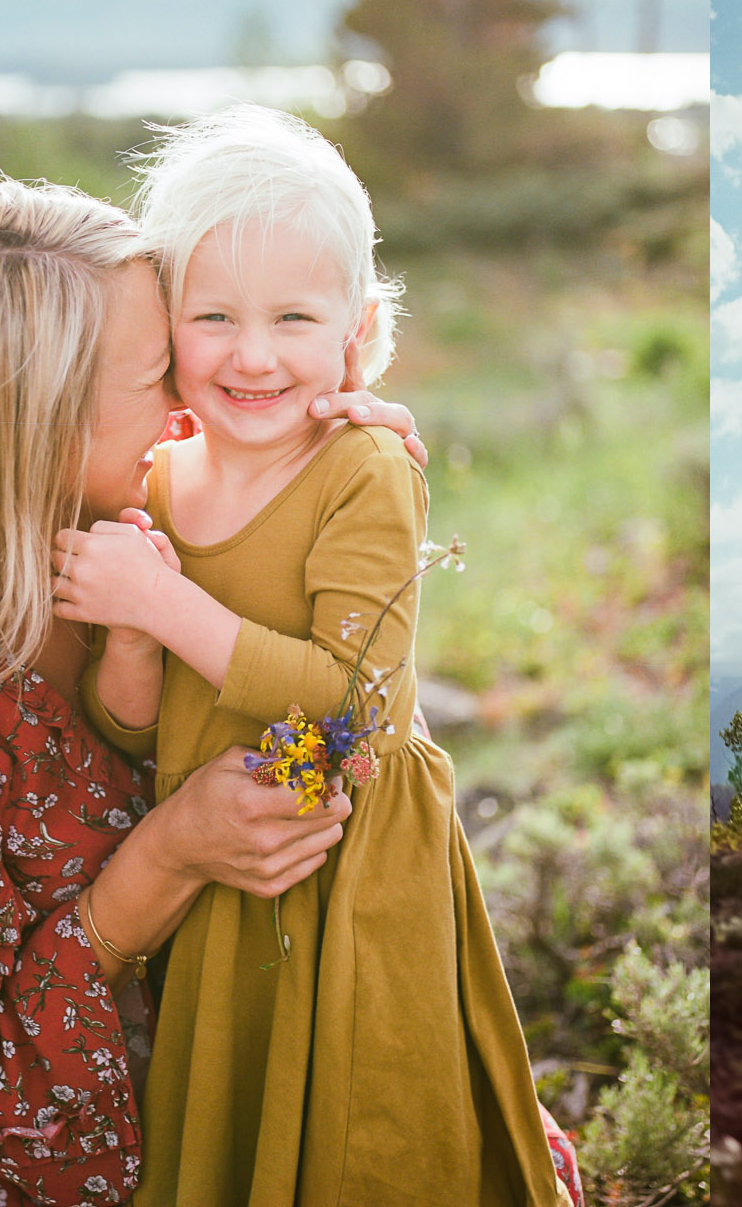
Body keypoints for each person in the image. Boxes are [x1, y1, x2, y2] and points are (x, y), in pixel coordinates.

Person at [0, 179, 420, 1205]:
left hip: (231, 1054)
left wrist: (331, 462)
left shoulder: (141, 538)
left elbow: (352, 681)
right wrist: (168, 854)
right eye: (160, 376)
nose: (185, 407)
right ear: (30, 429)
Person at [53, 105, 576, 1206]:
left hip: (344, 862)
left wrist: (167, 601)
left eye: (295, 316)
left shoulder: (362, 469)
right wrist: (135, 641)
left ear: (358, 328)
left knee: (364, 1127)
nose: (253, 355)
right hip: (220, 869)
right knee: (238, 1125)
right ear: (164, 326)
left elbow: (362, 704)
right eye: (214, 317)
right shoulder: (157, 478)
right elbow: (133, 727)